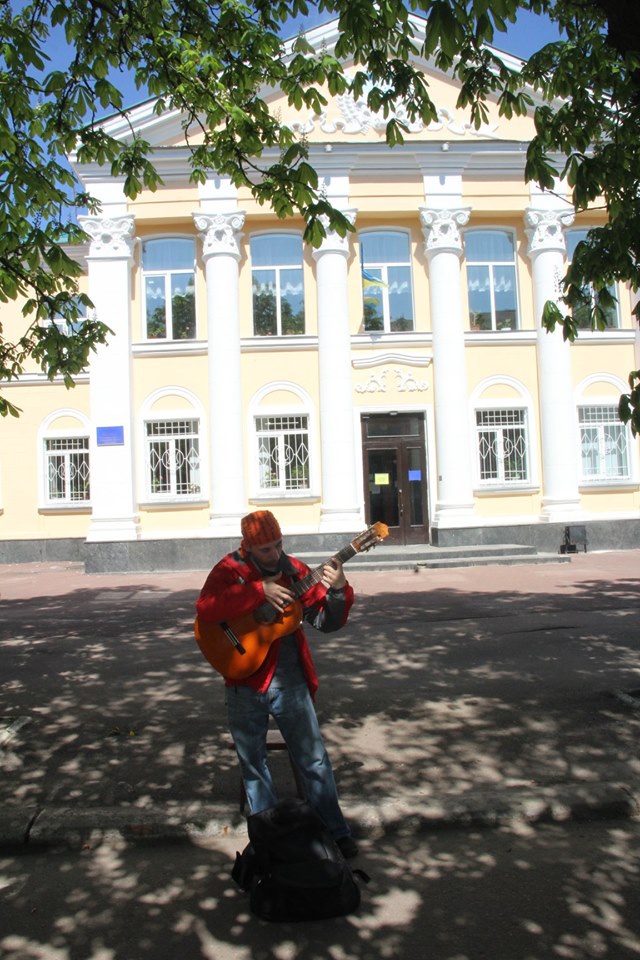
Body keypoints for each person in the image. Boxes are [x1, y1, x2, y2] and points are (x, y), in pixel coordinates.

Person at [196, 509, 358, 858]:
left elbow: (325, 622)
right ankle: (268, 839)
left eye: (278, 545)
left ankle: (336, 831)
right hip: (243, 681)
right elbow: (206, 609)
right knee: (253, 764)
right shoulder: (229, 569)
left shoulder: (296, 571)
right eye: (266, 549)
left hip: (290, 683)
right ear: (248, 547)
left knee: (313, 760)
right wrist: (257, 591)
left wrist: (340, 590)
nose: (274, 554)